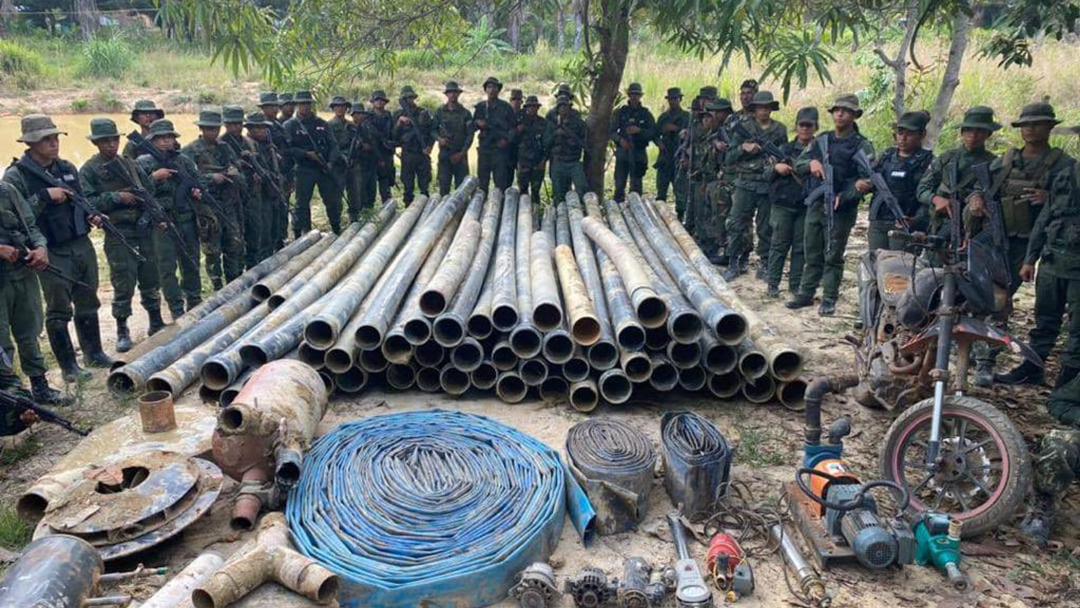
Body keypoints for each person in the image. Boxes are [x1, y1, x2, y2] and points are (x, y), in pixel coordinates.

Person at [971, 103, 1074, 387]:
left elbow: (1071, 203)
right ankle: (978, 351)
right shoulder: (1007, 160)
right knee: (981, 295)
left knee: (1001, 300)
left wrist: (1048, 198)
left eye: (1037, 124)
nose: (1030, 129)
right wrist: (977, 198)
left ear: (1050, 127)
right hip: (998, 238)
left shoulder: (1063, 165)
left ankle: (987, 359)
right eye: (1025, 124)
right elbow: (981, 186)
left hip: (1035, 244)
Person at [4, 114, 111, 381]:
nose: (54, 143)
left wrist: (93, 215)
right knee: (59, 307)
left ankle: (93, 352)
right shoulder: (17, 176)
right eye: (46, 140)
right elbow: (14, 219)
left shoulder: (66, 167)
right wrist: (43, 197)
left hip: (80, 242)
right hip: (50, 249)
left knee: (88, 297)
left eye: (55, 138)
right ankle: (69, 367)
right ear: (31, 143)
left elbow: (81, 199)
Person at [992, 121, 1080, 391]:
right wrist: (1030, 259)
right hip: (1054, 259)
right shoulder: (1068, 173)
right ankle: (1033, 369)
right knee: (1045, 319)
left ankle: (1068, 383)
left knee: (1077, 328)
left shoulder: (1064, 165)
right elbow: (1046, 218)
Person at [79, 117, 164, 353]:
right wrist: (117, 197)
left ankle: (155, 319)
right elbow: (86, 202)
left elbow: (149, 189)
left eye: (114, 140)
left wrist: (153, 213)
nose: (111, 145)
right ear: (96, 143)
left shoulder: (130, 164)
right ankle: (122, 329)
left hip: (143, 227)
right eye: (105, 141)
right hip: (119, 231)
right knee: (123, 281)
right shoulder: (89, 170)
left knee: (150, 275)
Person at [787, 95, 875, 316]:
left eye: (846, 111)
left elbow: (868, 179)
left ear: (854, 115)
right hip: (816, 204)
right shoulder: (822, 140)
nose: (840, 114)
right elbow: (798, 164)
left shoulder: (861, 144)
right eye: (837, 110)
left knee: (833, 255)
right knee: (811, 251)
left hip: (840, 209)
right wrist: (812, 163)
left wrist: (846, 195)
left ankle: (829, 298)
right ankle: (806, 293)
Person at [0, 179, 68, 404]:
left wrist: (40, 248)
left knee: (29, 332)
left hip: (21, 273)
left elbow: (30, 226)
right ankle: (10, 398)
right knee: (1, 342)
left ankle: (40, 387)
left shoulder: (7, 190)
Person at [135, 119, 203, 318]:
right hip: (162, 222)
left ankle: (195, 301)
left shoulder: (184, 161)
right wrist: (153, 178)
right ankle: (176, 308)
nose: (165, 141)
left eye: (169, 137)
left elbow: (196, 182)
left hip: (186, 218)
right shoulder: (143, 163)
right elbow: (137, 193)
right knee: (166, 267)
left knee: (191, 262)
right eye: (160, 138)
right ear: (152, 140)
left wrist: (196, 191)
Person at [916, 106, 1000, 257]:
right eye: (969, 130)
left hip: (975, 231)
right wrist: (936, 199)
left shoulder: (994, 164)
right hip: (941, 225)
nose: (973, 135)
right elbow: (922, 190)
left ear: (988, 134)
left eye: (980, 131)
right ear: (962, 132)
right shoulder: (946, 159)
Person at [724, 90, 787, 280]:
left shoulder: (779, 130)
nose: (764, 111)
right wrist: (743, 148)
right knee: (736, 224)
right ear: (755, 109)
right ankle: (734, 261)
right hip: (745, 182)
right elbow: (729, 157)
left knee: (766, 227)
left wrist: (776, 162)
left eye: (767, 107)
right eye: (760, 107)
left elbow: (784, 154)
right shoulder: (744, 127)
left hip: (767, 184)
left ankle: (765, 263)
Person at [182, 108, 246, 288]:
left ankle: (234, 281)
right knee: (212, 248)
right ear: (201, 129)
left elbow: (236, 167)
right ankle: (217, 284)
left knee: (233, 243)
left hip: (228, 202)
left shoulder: (225, 148)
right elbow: (187, 180)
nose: (213, 132)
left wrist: (234, 173)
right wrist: (212, 178)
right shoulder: (191, 151)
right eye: (209, 129)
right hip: (207, 206)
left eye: (216, 129)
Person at [764, 107, 818, 298]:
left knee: (800, 248)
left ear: (815, 127)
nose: (805, 129)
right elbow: (765, 174)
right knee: (779, 245)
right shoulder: (784, 149)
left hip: (806, 206)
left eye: (809, 125)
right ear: (796, 126)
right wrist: (776, 168)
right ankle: (773, 283)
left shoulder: (819, 152)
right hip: (783, 204)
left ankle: (795, 285)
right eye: (802, 125)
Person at [865, 111, 934, 252]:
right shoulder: (887, 156)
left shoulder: (928, 162)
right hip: (879, 220)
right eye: (900, 133)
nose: (903, 138)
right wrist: (865, 184)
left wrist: (916, 219)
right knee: (876, 261)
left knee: (900, 263)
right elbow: (872, 181)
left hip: (906, 223)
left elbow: (928, 197)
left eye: (910, 134)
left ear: (922, 135)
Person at [284, 91, 344, 235]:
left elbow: (334, 145)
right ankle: (300, 233)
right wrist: (305, 154)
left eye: (307, 103)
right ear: (297, 105)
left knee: (332, 201)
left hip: (323, 168)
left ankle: (336, 229)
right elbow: (286, 149)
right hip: (303, 169)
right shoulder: (290, 125)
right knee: (302, 204)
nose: (305, 106)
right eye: (302, 104)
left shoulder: (321, 123)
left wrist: (330, 162)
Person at [220, 105, 267, 268]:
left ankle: (253, 268)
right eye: (231, 124)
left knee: (255, 233)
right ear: (225, 125)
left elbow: (261, 165)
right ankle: (236, 273)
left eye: (238, 124)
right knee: (234, 240)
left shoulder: (250, 143)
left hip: (252, 195)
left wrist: (258, 174)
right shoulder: (220, 145)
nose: (235, 127)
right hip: (231, 198)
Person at [245, 112, 287, 256]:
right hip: (258, 195)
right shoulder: (247, 145)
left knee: (274, 229)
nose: (264, 131)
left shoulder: (267, 145)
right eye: (260, 128)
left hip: (272, 192)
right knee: (262, 233)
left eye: (264, 128)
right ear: (251, 129)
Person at [610, 83, 656, 203]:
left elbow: (653, 133)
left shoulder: (645, 114)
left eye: (637, 94)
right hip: (623, 152)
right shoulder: (621, 112)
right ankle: (617, 207)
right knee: (619, 184)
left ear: (640, 96)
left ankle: (635, 207)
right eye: (632, 94)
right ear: (629, 95)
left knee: (636, 186)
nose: (634, 97)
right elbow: (611, 131)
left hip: (638, 153)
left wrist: (640, 130)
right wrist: (620, 140)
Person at [392, 86, 434, 205]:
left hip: (422, 153)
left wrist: (429, 147)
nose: (408, 100)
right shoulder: (398, 115)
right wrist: (399, 123)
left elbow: (431, 131)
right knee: (408, 187)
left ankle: (425, 208)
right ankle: (408, 208)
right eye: (406, 98)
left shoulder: (423, 112)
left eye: (410, 97)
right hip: (407, 154)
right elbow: (393, 136)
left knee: (424, 187)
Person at [474, 76, 515, 193]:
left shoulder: (506, 107)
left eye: (494, 87)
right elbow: (473, 126)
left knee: (501, 184)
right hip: (484, 150)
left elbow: (513, 129)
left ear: (498, 90)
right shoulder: (481, 107)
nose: (492, 90)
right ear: (486, 90)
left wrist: (506, 140)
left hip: (500, 151)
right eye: (489, 87)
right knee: (482, 185)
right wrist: (478, 123)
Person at [545, 97, 589, 205]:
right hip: (558, 162)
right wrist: (555, 134)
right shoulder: (551, 124)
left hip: (574, 162)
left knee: (582, 188)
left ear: (570, 108)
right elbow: (545, 143)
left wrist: (570, 137)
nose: (563, 109)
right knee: (558, 193)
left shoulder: (579, 123)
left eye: (565, 106)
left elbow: (584, 143)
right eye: (561, 106)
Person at [432, 81, 473, 196]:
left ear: (458, 94)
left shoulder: (465, 113)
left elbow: (470, 135)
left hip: (460, 155)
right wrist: (439, 139)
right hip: (445, 156)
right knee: (444, 189)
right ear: (446, 94)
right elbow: (432, 130)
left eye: (455, 92)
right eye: (450, 92)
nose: (453, 95)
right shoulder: (440, 112)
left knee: (462, 191)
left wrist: (462, 153)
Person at [654, 87, 689, 206]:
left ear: (680, 99)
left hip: (680, 157)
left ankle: (680, 213)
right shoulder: (663, 117)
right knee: (661, 191)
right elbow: (654, 134)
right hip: (665, 156)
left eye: (675, 99)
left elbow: (691, 135)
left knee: (680, 192)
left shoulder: (686, 117)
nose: (672, 101)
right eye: (670, 99)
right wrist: (659, 143)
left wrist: (676, 129)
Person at [514, 96, 547, 203]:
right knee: (523, 192)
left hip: (538, 163)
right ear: (526, 108)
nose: (532, 109)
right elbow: (512, 142)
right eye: (530, 106)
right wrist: (517, 131)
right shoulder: (519, 122)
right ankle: (523, 212)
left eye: (534, 106)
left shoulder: (543, 123)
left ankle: (535, 211)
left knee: (536, 191)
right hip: (523, 162)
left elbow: (548, 144)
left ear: (538, 108)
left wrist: (544, 161)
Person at [367, 90, 396, 203]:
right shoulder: (368, 116)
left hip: (386, 152)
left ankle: (387, 203)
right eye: (377, 100)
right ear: (373, 102)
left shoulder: (388, 116)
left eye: (381, 100)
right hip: (372, 153)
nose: (379, 102)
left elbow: (393, 133)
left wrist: (391, 144)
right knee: (371, 181)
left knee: (386, 179)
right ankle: (369, 207)